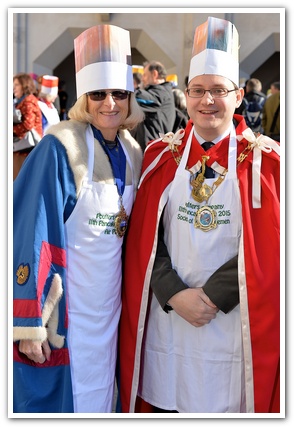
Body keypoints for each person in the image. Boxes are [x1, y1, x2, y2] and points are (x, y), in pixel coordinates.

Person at [119, 16, 280, 414]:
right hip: (169, 323)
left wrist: (209, 296)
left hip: (229, 326)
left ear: (238, 95)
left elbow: (272, 247)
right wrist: (174, 292)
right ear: (185, 94)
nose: (207, 101)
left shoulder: (268, 162)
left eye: (218, 91)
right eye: (198, 91)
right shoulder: (159, 156)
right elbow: (142, 239)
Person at [13, 24, 144, 413]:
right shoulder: (60, 146)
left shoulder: (134, 152)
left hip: (111, 307)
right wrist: (29, 322)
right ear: (84, 98)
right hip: (67, 306)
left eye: (119, 94)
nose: (109, 103)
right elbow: (31, 232)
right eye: (98, 94)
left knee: (104, 395)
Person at [131, 60, 176, 152]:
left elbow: (139, 98)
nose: (142, 79)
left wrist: (124, 92)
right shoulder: (163, 92)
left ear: (154, 74)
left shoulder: (161, 93)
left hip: (153, 153)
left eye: (145, 75)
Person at [13, 73, 42, 180]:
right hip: (22, 149)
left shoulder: (29, 100)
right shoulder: (22, 100)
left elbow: (28, 124)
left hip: (26, 150)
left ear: (24, 85)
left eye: (16, 85)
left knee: (19, 181)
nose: (14, 88)